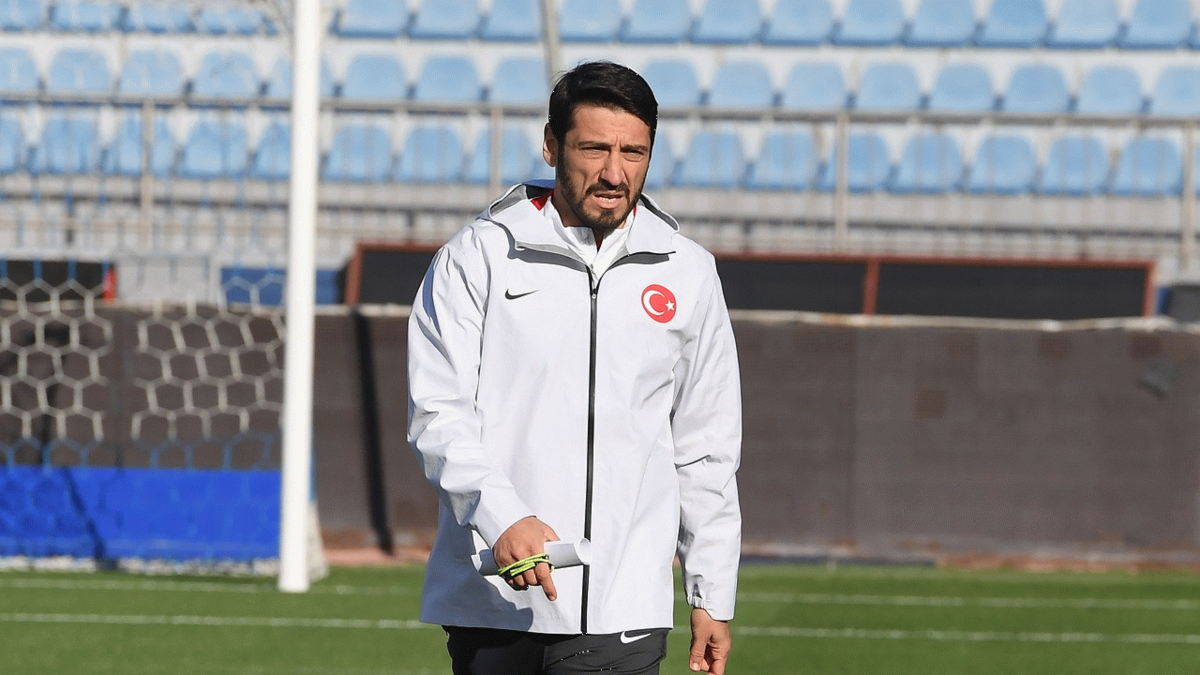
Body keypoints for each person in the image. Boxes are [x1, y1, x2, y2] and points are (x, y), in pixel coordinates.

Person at [407, 60, 742, 675]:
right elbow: (437, 415)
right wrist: (502, 516)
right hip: (495, 600)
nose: (615, 173)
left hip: (624, 609)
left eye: (633, 152)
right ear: (551, 145)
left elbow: (706, 447)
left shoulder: (689, 271)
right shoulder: (477, 256)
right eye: (594, 149)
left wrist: (711, 592)